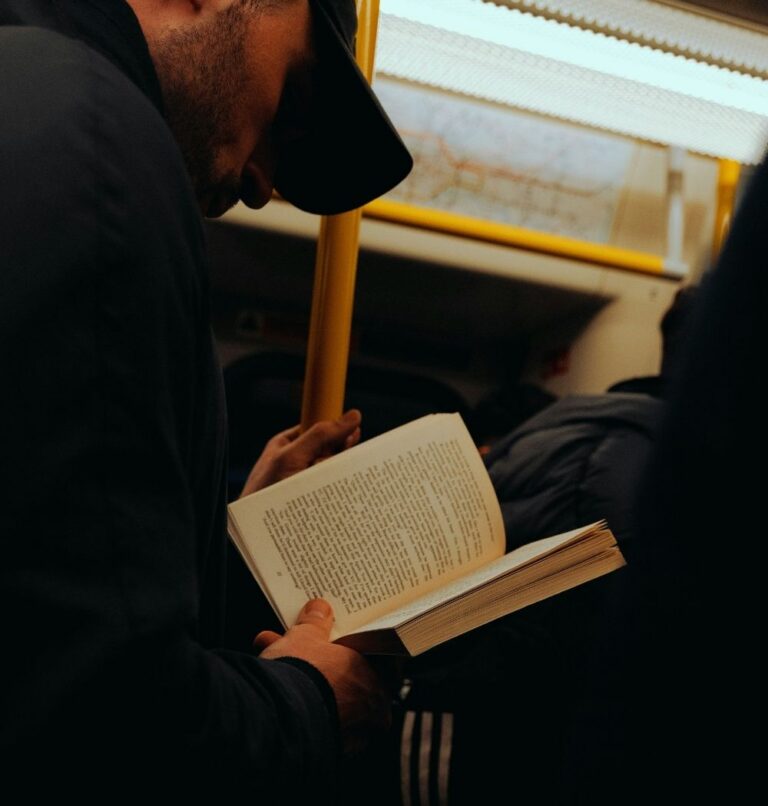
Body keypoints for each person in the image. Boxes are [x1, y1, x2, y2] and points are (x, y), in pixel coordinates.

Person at [0, 0, 411, 798]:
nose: (261, 186)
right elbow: (100, 720)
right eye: (292, 105)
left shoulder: (38, 100)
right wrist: (312, 703)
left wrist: (225, 540)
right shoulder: (96, 137)